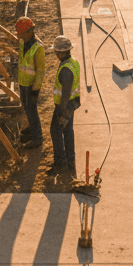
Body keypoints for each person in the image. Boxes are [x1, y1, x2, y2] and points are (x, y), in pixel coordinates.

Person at [49, 34, 80, 177]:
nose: (56, 54)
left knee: (56, 132)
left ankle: (60, 162)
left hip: (65, 106)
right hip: (72, 103)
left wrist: (61, 112)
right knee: (68, 132)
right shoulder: (73, 63)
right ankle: (70, 159)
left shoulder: (66, 70)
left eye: (57, 51)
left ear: (63, 51)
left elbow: (65, 94)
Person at [16, 17, 45, 148]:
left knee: (32, 110)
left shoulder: (38, 47)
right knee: (26, 108)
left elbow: (40, 71)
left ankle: (37, 137)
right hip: (23, 82)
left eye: (21, 34)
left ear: (29, 32)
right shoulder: (23, 41)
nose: (19, 37)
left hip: (31, 86)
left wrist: (35, 90)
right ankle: (32, 130)